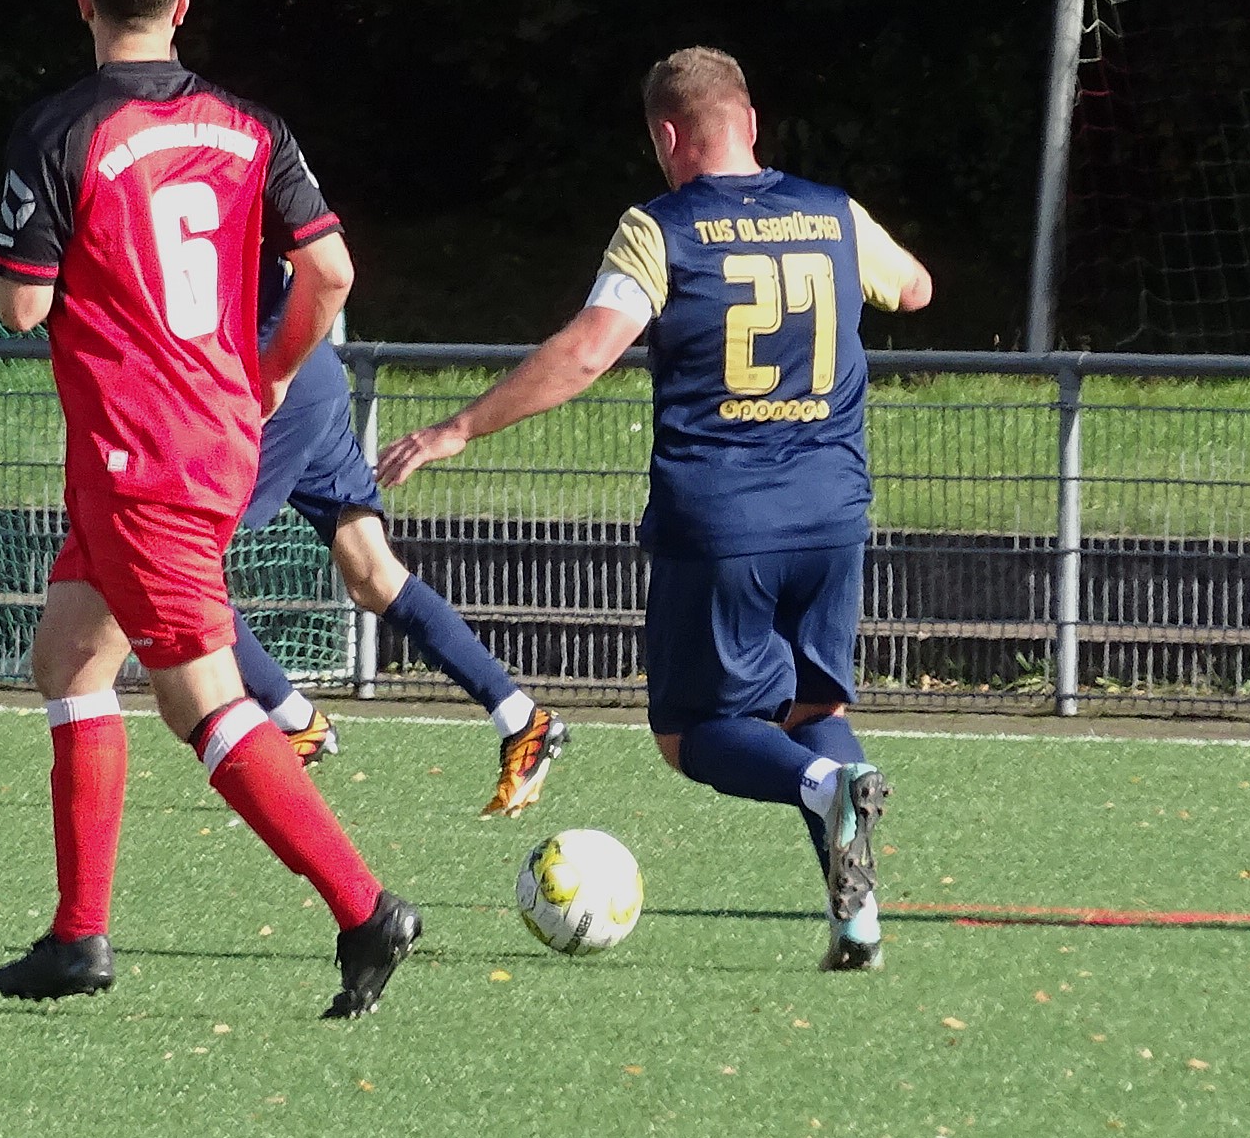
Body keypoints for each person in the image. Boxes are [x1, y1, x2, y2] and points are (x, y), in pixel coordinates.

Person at [379, 47, 929, 971]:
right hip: (834, 512)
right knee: (814, 705)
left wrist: (458, 427)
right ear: (750, 123)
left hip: (722, 522)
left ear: (668, 136)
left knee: (693, 735)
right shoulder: (833, 211)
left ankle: (826, 784)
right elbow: (914, 287)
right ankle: (858, 922)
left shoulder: (661, 228)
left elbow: (589, 350)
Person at [0, 0, 419, 1017]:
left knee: (203, 704)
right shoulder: (250, 127)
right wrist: (271, 371)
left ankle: (364, 906)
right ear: (181, 5)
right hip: (204, 433)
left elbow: (21, 305)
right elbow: (331, 274)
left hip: (142, 453)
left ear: (84, 0)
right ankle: (77, 935)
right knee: (70, 660)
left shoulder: (58, 129)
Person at [223, 258, 564, 816]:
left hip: (270, 381)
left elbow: (330, 268)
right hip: (311, 372)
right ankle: (521, 718)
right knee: (374, 576)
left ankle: (293, 721)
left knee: (177, 571)